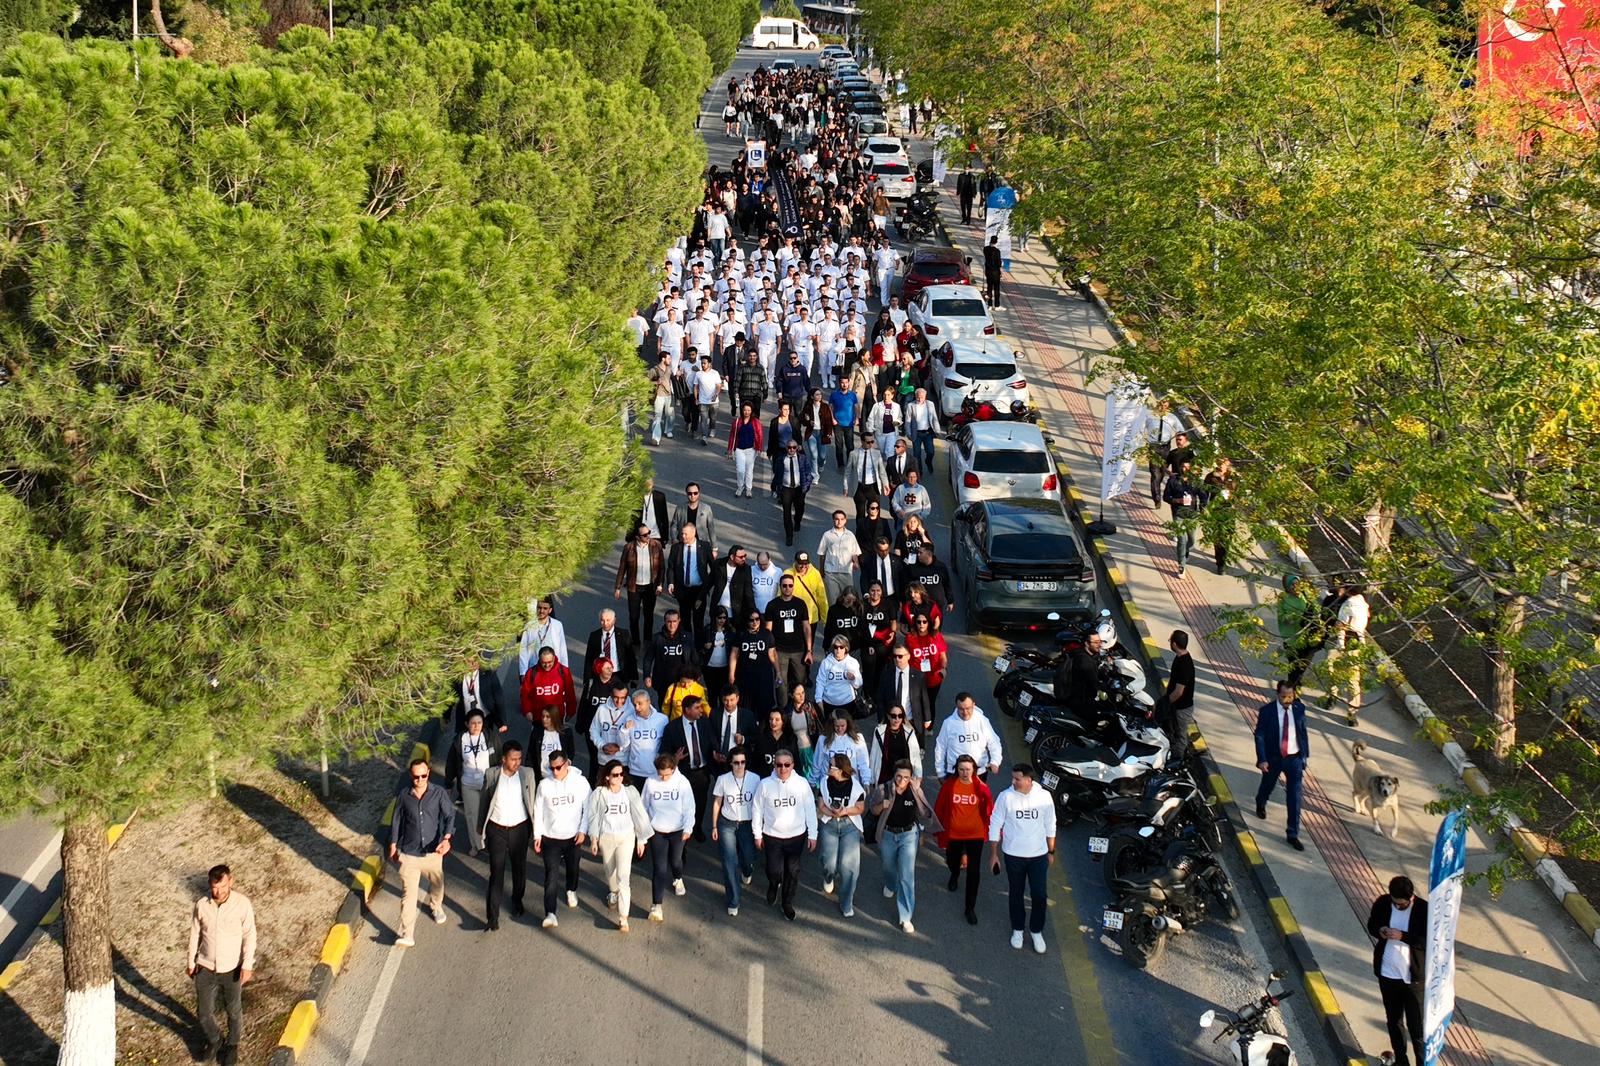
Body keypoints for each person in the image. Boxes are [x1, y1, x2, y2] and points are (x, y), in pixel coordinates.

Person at [187, 864, 256, 1065]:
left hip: (232, 968)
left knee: (233, 1010)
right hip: (205, 967)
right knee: (203, 1012)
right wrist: (191, 961)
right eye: (215, 887)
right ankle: (215, 1040)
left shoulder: (242, 904)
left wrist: (247, 964)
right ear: (210, 885)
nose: (219, 891)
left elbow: (249, 935)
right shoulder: (202, 905)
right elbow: (195, 934)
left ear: (230, 882)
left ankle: (233, 1045)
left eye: (223, 886)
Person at [988, 763, 1056, 953]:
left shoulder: (1044, 797)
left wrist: (1051, 851)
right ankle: (1017, 929)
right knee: (1016, 894)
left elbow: (1051, 824)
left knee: (1039, 895)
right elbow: (995, 824)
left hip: (1038, 856)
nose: (1013, 781)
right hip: (1013, 856)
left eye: (1017, 779)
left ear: (1028, 780)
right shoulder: (1005, 797)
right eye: (1013, 778)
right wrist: (994, 854)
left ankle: (1036, 930)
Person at [390, 756, 454, 945]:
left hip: (433, 851)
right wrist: (393, 844)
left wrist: (447, 838)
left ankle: (436, 906)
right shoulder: (404, 795)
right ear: (411, 776)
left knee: (437, 883)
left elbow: (450, 816)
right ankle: (407, 933)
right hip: (409, 852)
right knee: (408, 895)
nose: (419, 780)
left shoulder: (439, 793)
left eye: (423, 776)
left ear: (429, 774)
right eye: (416, 777)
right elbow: (396, 820)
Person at [582, 760, 652, 932]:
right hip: (607, 837)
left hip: (626, 837)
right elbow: (593, 817)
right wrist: (594, 839)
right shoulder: (599, 793)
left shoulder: (630, 791)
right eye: (615, 775)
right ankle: (612, 892)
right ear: (607, 777)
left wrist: (642, 839)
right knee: (609, 869)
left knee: (623, 877)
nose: (620, 777)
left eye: (621, 774)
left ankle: (623, 918)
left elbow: (640, 814)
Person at [871, 759, 941, 934]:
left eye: (906, 777)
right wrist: (882, 805)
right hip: (888, 834)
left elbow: (924, 813)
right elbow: (872, 809)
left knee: (907, 875)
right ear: (894, 775)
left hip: (909, 835)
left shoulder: (914, 791)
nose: (902, 781)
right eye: (899, 776)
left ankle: (905, 916)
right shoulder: (884, 789)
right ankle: (890, 884)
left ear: (911, 777)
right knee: (888, 865)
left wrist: (923, 831)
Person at [1367, 875, 1429, 1066]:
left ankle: (1421, 1062)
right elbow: (1372, 925)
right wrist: (1381, 930)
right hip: (1387, 974)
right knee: (1394, 1022)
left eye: (1402, 905)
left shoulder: (1423, 910)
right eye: (1395, 903)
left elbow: (1427, 941)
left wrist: (1403, 936)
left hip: (1412, 978)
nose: (1398, 907)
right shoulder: (1383, 903)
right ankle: (1401, 1061)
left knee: (1416, 1027)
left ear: (1411, 898)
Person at [475, 741, 536, 931]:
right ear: (503, 759)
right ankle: (492, 916)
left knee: (519, 869)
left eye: (519, 758)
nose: (517, 762)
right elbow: (484, 800)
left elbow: (533, 801)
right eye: (513, 759)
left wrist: (536, 830)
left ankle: (517, 900)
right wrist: (480, 826)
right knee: (497, 872)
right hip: (497, 829)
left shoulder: (527, 774)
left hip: (520, 828)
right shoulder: (492, 775)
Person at [752, 749, 818, 921]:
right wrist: (757, 834)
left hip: (796, 836)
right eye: (779, 765)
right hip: (772, 835)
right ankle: (774, 884)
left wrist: (813, 834)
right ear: (774, 765)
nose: (783, 769)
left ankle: (786, 902)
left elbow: (810, 809)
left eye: (787, 765)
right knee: (773, 870)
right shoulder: (765, 784)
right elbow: (757, 810)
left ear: (793, 765)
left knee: (793, 871)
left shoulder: (802, 783)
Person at [532, 750, 591, 928]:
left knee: (573, 868)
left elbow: (588, 808)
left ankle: (571, 889)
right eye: (552, 768)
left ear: (567, 764)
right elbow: (538, 810)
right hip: (551, 838)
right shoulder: (544, 785)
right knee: (551, 876)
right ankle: (550, 913)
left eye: (558, 767)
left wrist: (583, 830)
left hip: (573, 837)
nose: (555, 772)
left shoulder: (580, 783)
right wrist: (537, 835)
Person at [935, 756, 994, 925]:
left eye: (968, 769)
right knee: (952, 862)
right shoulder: (949, 786)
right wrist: (934, 828)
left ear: (974, 769)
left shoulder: (982, 788)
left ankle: (970, 908)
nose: (965, 773)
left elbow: (990, 809)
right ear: (956, 769)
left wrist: (994, 831)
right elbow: (940, 807)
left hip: (975, 835)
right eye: (961, 769)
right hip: (953, 835)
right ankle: (954, 873)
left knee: (974, 872)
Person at [1253, 681, 1309, 852]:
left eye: (1290, 696)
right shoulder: (1267, 711)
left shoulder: (1299, 709)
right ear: (1277, 694)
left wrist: (1304, 755)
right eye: (1283, 696)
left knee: (1295, 796)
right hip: (1274, 758)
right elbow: (1260, 735)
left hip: (1294, 760)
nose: (1287, 700)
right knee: (1267, 785)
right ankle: (1261, 802)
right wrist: (1262, 759)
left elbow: (1302, 732)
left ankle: (1292, 833)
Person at [641, 753, 696, 923]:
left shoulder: (682, 783)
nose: (663, 778)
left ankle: (678, 878)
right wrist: (643, 832)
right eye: (660, 774)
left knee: (676, 861)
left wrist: (688, 827)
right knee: (659, 868)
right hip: (657, 831)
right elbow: (643, 806)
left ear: (673, 769)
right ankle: (656, 905)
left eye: (667, 774)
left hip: (677, 831)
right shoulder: (650, 782)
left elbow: (689, 808)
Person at [711, 745, 762, 915]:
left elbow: (760, 804)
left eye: (743, 762)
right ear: (730, 764)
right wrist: (714, 825)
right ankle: (733, 900)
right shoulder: (723, 779)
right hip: (727, 823)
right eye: (736, 763)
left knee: (748, 858)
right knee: (729, 862)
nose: (740, 765)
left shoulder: (755, 779)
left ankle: (747, 871)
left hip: (747, 824)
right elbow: (718, 802)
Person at [816, 753, 868, 917]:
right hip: (830, 824)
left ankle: (846, 902)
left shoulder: (856, 787)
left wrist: (844, 811)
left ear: (839, 770)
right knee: (828, 863)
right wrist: (832, 813)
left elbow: (860, 808)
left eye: (831, 766)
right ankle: (829, 877)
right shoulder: (824, 782)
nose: (828, 768)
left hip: (849, 826)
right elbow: (820, 804)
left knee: (849, 867)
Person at [662, 695, 716, 839]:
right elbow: (664, 751)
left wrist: (715, 753)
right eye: (697, 708)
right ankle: (681, 831)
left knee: (700, 802)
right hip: (683, 772)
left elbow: (712, 740)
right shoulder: (672, 728)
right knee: (682, 804)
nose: (701, 710)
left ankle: (696, 828)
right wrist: (675, 758)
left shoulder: (704, 722)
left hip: (701, 772)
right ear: (687, 710)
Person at [446, 711, 496, 855]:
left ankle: (491, 842)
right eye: (473, 723)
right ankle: (477, 845)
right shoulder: (460, 740)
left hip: (487, 783)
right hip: (468, 784)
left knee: (489, 814)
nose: (476, 726)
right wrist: (449, 782)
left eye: (479, 723)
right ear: (467, 724)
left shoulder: (489, 736)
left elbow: (498, 756)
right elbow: (451, 762)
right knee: (472, 815)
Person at [1323, 582, 1371, 726]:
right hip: (1356, 643)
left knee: (1332, 670)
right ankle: (1352, 713)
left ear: (1348, 591)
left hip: (1342, 642)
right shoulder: (1363, 603)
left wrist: (1340, 642)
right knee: (1353, 679)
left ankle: (1332, 696)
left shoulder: (1348, 604)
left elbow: (1340, 625)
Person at [615, 523, 664, 647]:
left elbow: (662, 567)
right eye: (644, 535)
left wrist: (659, 584)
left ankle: (647, 639)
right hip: (634, 587)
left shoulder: (656, 545)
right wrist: (618, 587)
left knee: (649, 615)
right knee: (633, 616)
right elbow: (622, 568)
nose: (647, 536)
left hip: (650, 586)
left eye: (649, 533)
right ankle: (636, 641)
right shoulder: (629, 548)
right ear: (637, 536)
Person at [933, 693, 1004, 779]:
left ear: (973, 705)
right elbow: (940, 747)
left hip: (979, 773)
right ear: (956, 706)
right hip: (955, 773)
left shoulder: (982, 720)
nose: (965, 712)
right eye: (961, 709)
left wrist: (995, 761)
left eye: (968, 708)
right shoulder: (948, 723)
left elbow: (994, 742)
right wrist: (940, 772)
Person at [666, 521, 714, 644]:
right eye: (682, 534)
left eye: (685, 534)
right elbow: (671, 567)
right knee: (685, 620)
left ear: (694, 533)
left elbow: (713, 567)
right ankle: (687, 646)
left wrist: (708, 586)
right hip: (683, 590)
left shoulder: (704, 546)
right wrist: (671, 583)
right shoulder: (676, 548)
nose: (683, 536)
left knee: (698, 621)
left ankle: (698, 648)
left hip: (699, 591)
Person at [765, 574, 813, 690]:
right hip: (780, 650)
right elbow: (768, 631)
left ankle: (798, 707)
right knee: (781, 684)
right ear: (780, 587)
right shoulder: (772, 605)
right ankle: (782, 707)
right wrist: (769, 650)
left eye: (790, 585)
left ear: (793, 587)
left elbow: (806, 627)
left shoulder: (800, 604)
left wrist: (809, 650)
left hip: (798, 650)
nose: (787, 588)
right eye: (784, 586)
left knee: (800, 683)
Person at [1163, 460, 1208, 578]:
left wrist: (1203, 508)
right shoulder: (1173, 480)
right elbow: (1166, 497)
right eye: (1183, 467)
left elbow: (1203, 496)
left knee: (1192, 540)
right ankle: (1181, 565)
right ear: (1179, 468)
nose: (1185, 469)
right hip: (1178, 514)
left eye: (1188, 467)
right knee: (1182, 539)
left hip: (1192, 515)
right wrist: (1177, 501)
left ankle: (1185, 551)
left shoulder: (1196, 481)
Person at [521, 645, 577, 740]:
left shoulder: (564, 671)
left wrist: (571, 711)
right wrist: (527, 711)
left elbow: (570, 693)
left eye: (549, 662)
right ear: (539, 659)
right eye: (544, 662)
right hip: (538, 718)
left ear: (554, 658)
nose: (547, 665)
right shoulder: (531, 673)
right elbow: (525, 695)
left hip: (557, 717)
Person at [876, 643, 934, 735]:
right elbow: (880, 699)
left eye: (900, 656)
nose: (897, 659)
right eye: (894, 656)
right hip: (892, 721)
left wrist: (927, 719)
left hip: (912, 720)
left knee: (914, 747)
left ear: (908, 656)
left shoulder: (919, 676)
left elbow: (924, 698)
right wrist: (881, 720)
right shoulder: (886, 675)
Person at [621, 689, 670, 790]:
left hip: (655, 772)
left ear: (648, 702)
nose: (637, 708)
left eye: (640, 704)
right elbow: (623, 745)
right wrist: (624, 730)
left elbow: (665, 745)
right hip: (635, 771)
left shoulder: (662, 719)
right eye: (634, 705)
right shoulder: (629, 719)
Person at [1277, 575, 1319, 691]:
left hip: (1307, 636)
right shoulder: (1283, 598)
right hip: (1291, 637)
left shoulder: (1306, 595)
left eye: (1297, 583)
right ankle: (1293, 688)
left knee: (1303, 665)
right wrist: (1292, 617)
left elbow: (1317, 610)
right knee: (1293, 665)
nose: (1296, 586)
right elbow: (1281, 616)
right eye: (1292, 584)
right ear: (1287, 586)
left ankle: (1295, 685)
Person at [450, 652, 505, 738]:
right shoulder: (458, 677)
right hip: (465, 718)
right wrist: (446, 715)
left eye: (474, 661)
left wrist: (502, 722)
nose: (472, 664)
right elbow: (451, 696)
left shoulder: (488, 674)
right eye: (469, 662)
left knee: (485, 742)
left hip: (484, 718)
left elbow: (499, 698)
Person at [642, 610, 698, 695]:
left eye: (674, 621)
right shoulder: (657, 638)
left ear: (679, 620)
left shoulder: (687, 637)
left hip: (682, 681)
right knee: (663, 707)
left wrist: (696, 674)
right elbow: (648, 659)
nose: (672, 625)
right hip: (663, 681)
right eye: (669, 622)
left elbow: (694, 658)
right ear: (665, 621)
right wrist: (646, 676)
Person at [904, 612, 950, 714]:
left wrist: (944, 668)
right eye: (919, 622)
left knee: (930, 703)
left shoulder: (936, 636)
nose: (921, 624)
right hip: (916, 678)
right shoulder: (910, 638)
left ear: (929, 623)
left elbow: (943, 655)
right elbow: (905, 656)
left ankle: (929, 727)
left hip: (934, 677)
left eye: (924, 622)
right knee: (917, 702)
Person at [1163, 630, 1197, 764]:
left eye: (1170, 640)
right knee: (1172, 731)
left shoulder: (1185, 665)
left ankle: (1177, 761)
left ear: (1175, 644)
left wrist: (1165, 703)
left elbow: (1179, 692)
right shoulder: (1180, 658)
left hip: (1182, 708)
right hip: (1176, 706)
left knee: (1180, 736)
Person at [817, 509, 863, 606]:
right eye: (837, 519)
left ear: (845, 520)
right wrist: (821, 569)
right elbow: (822, 553)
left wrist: (856, 563)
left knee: (849, 600)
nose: (839, 521)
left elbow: (854, 552)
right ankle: (834, 620)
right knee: (833, 601)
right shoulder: (827, 535)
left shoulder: (850, 535)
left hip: (846, 572)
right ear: (833, 520)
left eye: (842, 519)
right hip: (831, 573)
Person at [814, 637, 865, 721]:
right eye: (835, 647)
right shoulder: (826, 662)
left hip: (847, 704)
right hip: (829, 704)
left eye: (841, 647)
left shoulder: (852, 662)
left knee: (847, 730)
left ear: (846, 648)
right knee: (830, 731)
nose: (838, 650)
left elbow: (858, 684)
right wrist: (818, 700)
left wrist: (853, 678)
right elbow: (820, 681)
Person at [1144, 399, 1184, 507]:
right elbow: (1140, 428)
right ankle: (1157, 498)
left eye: (1165, 406)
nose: (1163, 407)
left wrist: (1180, 437)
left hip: (1166, 447)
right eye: (1161, 405)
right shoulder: (1149, 416)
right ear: (1158, 405)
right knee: (1155, 473)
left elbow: (1180, 430)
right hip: (1153, 447)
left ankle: (1156, 488)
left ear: (1168, 406)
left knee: (1162, 472)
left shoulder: (1172, 417)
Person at [774, 440, 815, 546]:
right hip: (786, 489)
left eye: (793, 447)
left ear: (797, 448)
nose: (791, 449)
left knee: (800, 508)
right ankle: (789, 536)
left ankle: (797, 521)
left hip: (799, 488)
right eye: (789, 447)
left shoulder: (802, 458)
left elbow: (808, 472)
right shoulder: (781, 459)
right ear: (786, 448)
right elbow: (777, 474)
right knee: (786, 512)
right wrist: (776, 487)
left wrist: (807, 483)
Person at [670, 483, 721, 564]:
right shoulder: (680, 508)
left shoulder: (706, 509)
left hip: (701, 545)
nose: (692, 495)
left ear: (699, 493)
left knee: (701, 568)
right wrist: (674, 540)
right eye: (690, 493)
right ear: (686, 494)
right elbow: (673, 525)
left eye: (695, 493)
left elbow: (711, 529)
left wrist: (714, 548)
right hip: (684, 543)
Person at [584, 609, 636, 687]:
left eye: (608, 620)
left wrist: (634, 677)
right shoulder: (594, 635)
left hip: (618, 675)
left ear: (614, 620)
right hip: (601, 675)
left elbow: (630, 656)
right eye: (602, 620)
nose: (605, 623)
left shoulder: (623, 634)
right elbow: (589, 658)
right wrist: (587, 679)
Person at [709, 546, 757, 632]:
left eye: (745, 555)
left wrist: (752, 610)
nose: (744, 559)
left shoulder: (746, 569)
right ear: (732, 557)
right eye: (741, 557)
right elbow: (709, 582)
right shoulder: (719, 564)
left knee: (733, 637)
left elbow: (748, 591)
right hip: (718, 610)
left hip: (735, 612)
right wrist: (700, 598)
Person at [519, 598, 568, 673]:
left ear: (550, 610)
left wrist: (565, 670)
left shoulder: (557, 625)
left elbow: (562, 649)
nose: (541, 611)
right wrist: (523, 673)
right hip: (534, 670)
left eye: (545, 608)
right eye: (539, 608)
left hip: (553, 669)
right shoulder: (529, 626)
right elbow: (523, 651)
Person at [727, 401, 765, 498]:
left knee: (749, 470)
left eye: (749, 410)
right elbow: (732, 436)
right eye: (745, 410)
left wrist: (759, 448)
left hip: (751, 450)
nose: (746, 412)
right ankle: (740, 487)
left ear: (751, 411)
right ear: (742, 411)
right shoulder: (737, 422)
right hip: (739, 449)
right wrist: (730, 449)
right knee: (740, 470)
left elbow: (759, 436)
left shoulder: (756, 422)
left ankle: (748, 489)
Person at [785, 552, 828, 629]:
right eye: (800, 563)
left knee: (809, 641)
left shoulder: (815, 573)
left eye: (806, 563)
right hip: (793, 617)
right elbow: (781, 595)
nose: (803, 566)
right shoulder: (787, 574)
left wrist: (826, 620)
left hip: (811, 619)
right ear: (795, 562)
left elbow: (822, 597)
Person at [903, 387, 938, 470]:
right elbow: (908, 421)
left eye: (922, 397)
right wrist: (908, 433)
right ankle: (919, 470)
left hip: (928, 433)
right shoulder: (910, 405)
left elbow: (934, 417)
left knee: (930, 452)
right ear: (915, 396)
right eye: (918, 397)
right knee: (916, 454)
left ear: (925, 396)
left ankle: (928, 461)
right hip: (916, 433)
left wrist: (937, 430)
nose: (919, 399)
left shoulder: (930, 404)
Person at [982, 235, 1004, 310]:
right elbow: (998, 263)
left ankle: (990, 305)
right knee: (996, 289)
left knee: (989, 288)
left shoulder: (985, 249)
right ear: (996, 242)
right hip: (995, 272)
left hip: (988, 271)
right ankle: (997, 305)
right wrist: (1001, 272)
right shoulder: (997, 251)